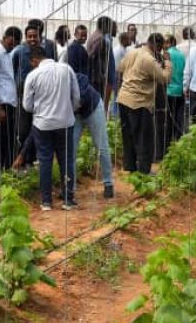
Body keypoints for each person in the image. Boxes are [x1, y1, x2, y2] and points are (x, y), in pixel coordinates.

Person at [23, 44, 80, 210]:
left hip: (43, 125)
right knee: (66, 160)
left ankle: (46, 201)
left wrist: (40, 110)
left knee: (45, 161)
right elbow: (76, 96)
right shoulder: (66, 69)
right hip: (65, 123)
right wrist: (70, 109)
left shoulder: (33, 75)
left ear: (34, 60)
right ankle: (68, 200)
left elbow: (27, 105)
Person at [66, 41, 115, 199]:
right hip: (75, 113)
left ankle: (108, 183)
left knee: (101, 145)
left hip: (93, 108)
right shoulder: (57, 85)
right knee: (70, 149)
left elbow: (80, 100)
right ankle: (70, 188)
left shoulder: (78, 79)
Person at [117, 32, 171, 174]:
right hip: (139, 102)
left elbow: (120, 68)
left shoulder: (133, 52)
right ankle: (144, 171)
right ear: (157, 45)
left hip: (123, 99)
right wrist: (168, 63)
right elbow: (164, 78)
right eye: (160, 47)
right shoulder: (148, 59)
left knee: (128, 135)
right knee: (144, 138)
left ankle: (130, 167)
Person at [0, 26, 21, 176]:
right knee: (0, 139)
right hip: (2, 104)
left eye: (15, 44)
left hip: (10, 102)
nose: (12, 46)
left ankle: (6, 169)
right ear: (4, 37)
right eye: (10, 43)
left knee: (8, 138)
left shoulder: (6, 53)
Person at [11, 23, 46, 167]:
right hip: (22, 96)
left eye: (35, 36)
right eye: (29, 36)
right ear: (25, 37)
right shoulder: (19, 51)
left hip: (39, 97)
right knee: (23, 130)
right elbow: (12, 71)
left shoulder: (43, 51)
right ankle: (22, 160)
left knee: (36, 128)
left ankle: (31, 159)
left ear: (39, 37)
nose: (32, 39)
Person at [164, 34, 187, 143]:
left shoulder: (167, 55)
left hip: (169, 91)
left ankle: (168, 141)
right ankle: (178, 141)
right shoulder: (182, 55)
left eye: (165, 42)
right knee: (178, 118)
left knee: (168, 118)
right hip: (180, 91)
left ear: (170, 43)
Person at [109, 32, 132, 120]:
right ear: (123, 40)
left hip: (121, 75)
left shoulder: (124, 49)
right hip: (117, 76)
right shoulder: (118, 51)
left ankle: (116, 115)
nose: (130, 41)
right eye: (128, 39)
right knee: (117, 96)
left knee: (119, 96)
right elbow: (118, 68)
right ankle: (115, 116)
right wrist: (119, 80)